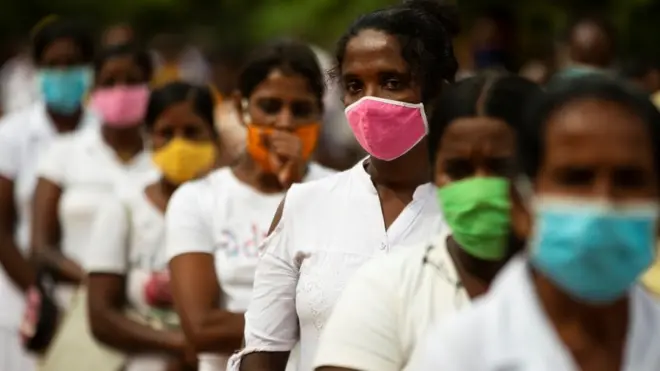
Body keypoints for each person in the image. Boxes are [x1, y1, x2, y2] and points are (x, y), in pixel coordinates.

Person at [231, 1, 460, 370]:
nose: (370, 99)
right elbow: (261, 356)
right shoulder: (306, 205)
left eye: (391, 81)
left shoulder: (467, 210)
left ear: (437, 91)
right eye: (355, 85)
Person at [411, 75, 660, 371]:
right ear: (521, 206)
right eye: (576, 178)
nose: (603, 202)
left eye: (629, 180)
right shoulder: (459, 353)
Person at [313, 74, 541, 371]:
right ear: (435, 173)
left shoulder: (588, 294)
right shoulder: (388, 289)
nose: (480, 189)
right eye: (459, 171)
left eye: (501, 168)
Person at [165, 38, 336, 371]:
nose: (284, 123)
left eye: (300, 110)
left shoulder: (343, 191)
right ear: (242, 107)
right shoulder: (197, 199)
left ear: (319, 114)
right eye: (270, 107)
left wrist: (297, 188)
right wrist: (317, 318)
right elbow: (201, 328)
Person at [86, 82, 218, 371]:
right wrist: (182, 343)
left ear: (214, 135)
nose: (178, 145)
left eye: (192, 132)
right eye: (166, 133)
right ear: (149, 138)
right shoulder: (123, 206)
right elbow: (100, 315)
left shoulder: (229, 206)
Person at [0, 17, 97, 371]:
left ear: (89, 70)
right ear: (38, 70)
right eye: (53, 64)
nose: (63, 72)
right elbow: (2, 227)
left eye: (72, 63)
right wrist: (38, 292)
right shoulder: (11, 135)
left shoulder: (103, 132)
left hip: (92, 299)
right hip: (22, 300)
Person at [30, 44, 157, 309]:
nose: (120, 90)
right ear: (94, 90)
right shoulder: (62, 153)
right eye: (109, 82)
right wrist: (101, 284)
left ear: (149, 87)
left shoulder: (162, 160)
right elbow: (42, 248)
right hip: (73, 307)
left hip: (151, 310)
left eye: (132, 81)